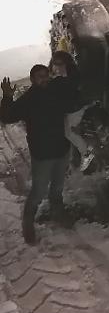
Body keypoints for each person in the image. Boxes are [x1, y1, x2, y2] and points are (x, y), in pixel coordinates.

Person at [0, 65, 73, 244]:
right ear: (32, 79)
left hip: (61, 149)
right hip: (42, 154)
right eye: (40, 77)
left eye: (46, 75)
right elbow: (7, 116)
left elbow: (72, 95)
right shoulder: (29, 99)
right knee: (38, 192)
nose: (44, 79)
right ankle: (28, 224)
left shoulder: (56, 90)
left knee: (57, 187)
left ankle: (58, 212)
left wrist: (65, 73)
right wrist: (7, 97)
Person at [49, 51, 95, 173]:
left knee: (68, 133)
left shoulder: (71, 75)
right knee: (67, 132)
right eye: (55, 63)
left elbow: (70, 91)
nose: (56, 66)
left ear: (66, 63)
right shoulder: (67, 74)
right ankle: (77, 158)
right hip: (73, 107)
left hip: (75, 108)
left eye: (59, 63)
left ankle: (86, 153)